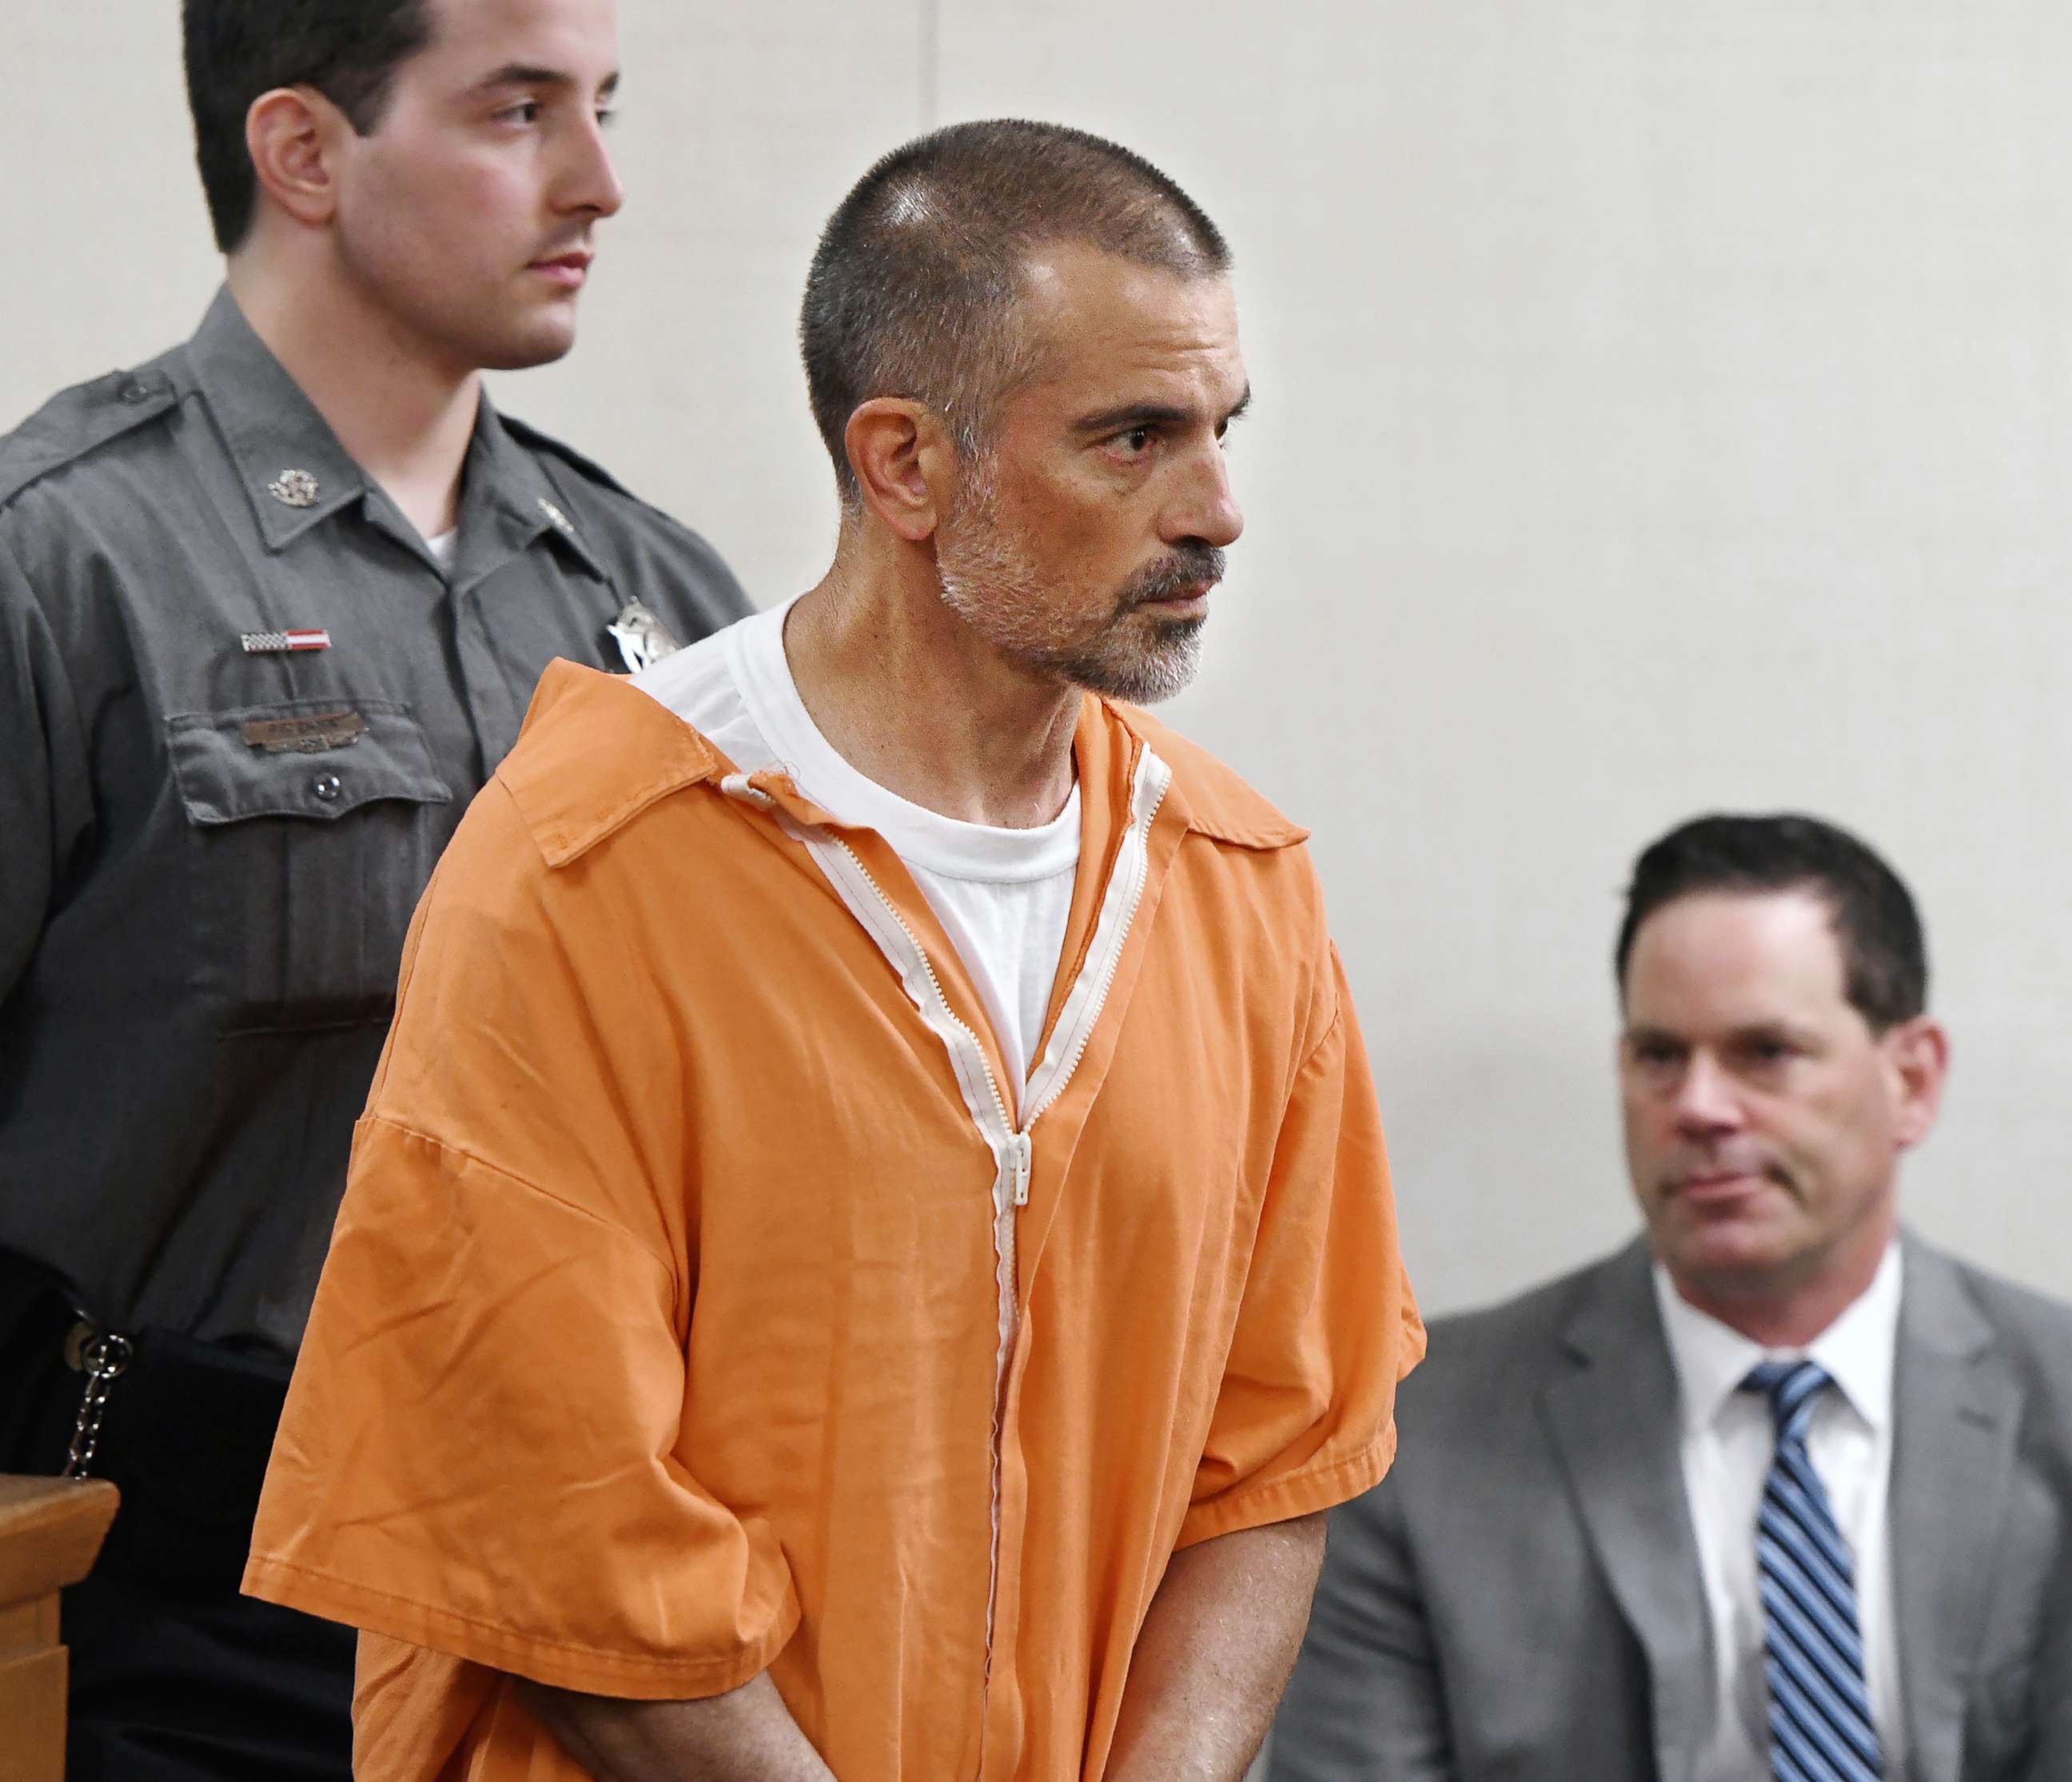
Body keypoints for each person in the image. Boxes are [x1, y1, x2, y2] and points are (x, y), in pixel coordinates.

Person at [242, 118, 1424, 1782]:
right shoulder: (590, 869)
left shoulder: (1238, 882)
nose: (1219, 507)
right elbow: (554, 1526)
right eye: (1134, 437)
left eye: (1226, 428)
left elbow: (1279, 1455)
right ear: (905, 465)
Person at [0, 0, 749, 1774]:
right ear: (307, 153)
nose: (599, 182)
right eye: (516, 113)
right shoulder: (64, 562)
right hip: (172, 1610)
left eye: (602, 108)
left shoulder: (655, 597)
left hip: (590, 1596)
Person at [1269, 813, 2072, 1782]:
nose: (1698, 1107)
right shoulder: (1412, 1437)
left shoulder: (2053, 1401)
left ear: (1911, 1080)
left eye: (1765, 1052)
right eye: (1659, 1056)